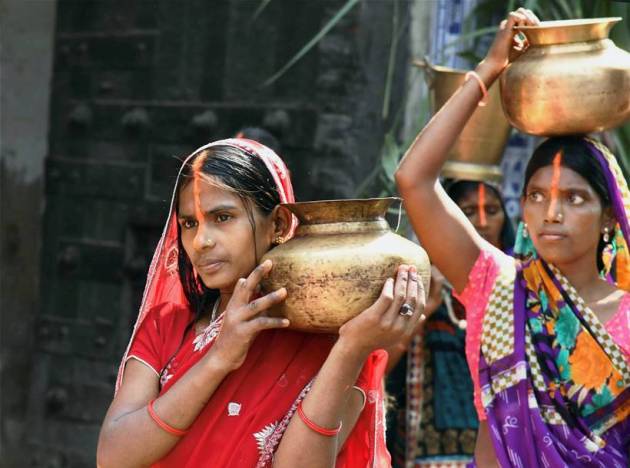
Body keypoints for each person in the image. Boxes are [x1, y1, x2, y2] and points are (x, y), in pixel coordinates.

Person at [97, 138, 426, 467]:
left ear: (279, 224)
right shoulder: (166, 324)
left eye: (223, 217)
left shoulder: (329, 340)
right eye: (189, 223)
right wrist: (219, 358)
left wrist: (349, 351)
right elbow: (113, 456)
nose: (201, 241)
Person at [395, 7, 629, 467]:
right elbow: (413, 179)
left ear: (609, 216)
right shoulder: (495, 285)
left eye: (575, 198)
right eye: (536, 196)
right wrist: (489, 69)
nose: (552, 213)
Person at [386, 179, 515, 467]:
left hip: (502, 449)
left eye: (492, 210)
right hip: (426, 455)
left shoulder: (525, 288)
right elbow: (378, 367)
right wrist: (424, 311)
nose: (482, 222)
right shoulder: (421, 282)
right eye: (468, 211)